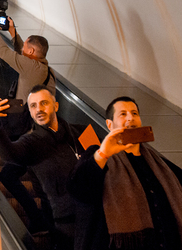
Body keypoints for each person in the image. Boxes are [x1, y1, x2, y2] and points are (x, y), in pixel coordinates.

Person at [68, 97, 182, 250]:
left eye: (134, 113)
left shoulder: (159, 164)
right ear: (110, 124)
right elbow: (78, 190)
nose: (130, 118)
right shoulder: (97, 155)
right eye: (123, 114)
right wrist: (103, 153)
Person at [0, 86, 81, 247]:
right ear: (30, 112)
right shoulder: (31, 142)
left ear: (56, 106)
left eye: (44, 103)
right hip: (63, 222)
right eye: (33, 106)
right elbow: (10, 153)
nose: (39, 109)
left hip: (95, 213)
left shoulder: (81, 131)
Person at [0, 16, 57, 237]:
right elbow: (22, 53)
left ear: (31, 53)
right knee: (35, 180)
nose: (23, 50)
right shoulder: (43, 67)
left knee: (10, 176)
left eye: (26, 47)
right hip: (38, 133)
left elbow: (6, 53)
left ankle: (43, 220)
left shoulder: (31, 68)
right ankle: (44, 221)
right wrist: (14, 33)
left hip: (32, 135)